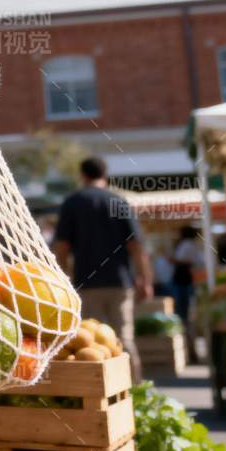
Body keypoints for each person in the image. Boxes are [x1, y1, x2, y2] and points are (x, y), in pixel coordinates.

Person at [53, 157, 152, 381]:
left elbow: (62, 247)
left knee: (92, 342)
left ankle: (102, 388)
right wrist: (144, 279)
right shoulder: (118, 201)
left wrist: (65, 279)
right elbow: (136, 246)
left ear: (82, 175)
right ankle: (133, 389)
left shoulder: (72, 203)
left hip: (86, 283)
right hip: (120, 282)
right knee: (124, 338)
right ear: (105, 175)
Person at [170, 225, 203, 360]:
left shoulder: (186, 245)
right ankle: (191, 350)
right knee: (187, 318)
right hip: (187, 284)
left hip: (183, 284)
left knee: (185, 318)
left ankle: (190, 351)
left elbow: (184, 261)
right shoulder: (193, 245)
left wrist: (171, 259)